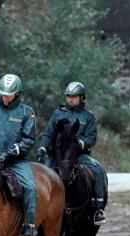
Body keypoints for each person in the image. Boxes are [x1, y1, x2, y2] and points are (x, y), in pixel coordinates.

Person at [37, 81, 106, 225]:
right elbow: (48, 134)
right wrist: (42, 148)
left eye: (74, 97)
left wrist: (81, 143)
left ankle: (98, 209)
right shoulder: (58, 114)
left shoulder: (88, 116)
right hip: (57, 156)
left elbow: (91, 137)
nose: (70, 99)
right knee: (40, 176)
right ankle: (36, 212)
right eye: (68, 96)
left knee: (98, 171)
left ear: (82, 98)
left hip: (78, 155)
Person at [0, 74, 38, 236]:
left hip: (15, 162)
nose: (5, 97)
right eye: (3, 94)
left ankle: (29, 224)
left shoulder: (27, 112)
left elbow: (28, 139)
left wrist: (12, 152)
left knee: (30, 188)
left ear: (17, 93)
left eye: (8, 94)